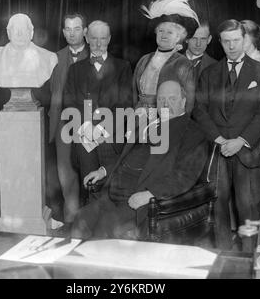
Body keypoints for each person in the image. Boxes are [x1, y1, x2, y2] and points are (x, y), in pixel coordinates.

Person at [71, 80, 209, 240]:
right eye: (161, 99)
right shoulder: (148, 124)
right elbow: (126, 155)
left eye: (172, 99)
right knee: (81, 219)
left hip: (140, 198)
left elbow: (184, 176)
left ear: (183, 102)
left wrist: (150, 194)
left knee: (105, 228)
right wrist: (103, 171)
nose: (165, 104)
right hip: (113, 191)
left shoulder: (193, 133)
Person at [192, 19, 260, 250]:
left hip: (247, 151)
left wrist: (240, 141)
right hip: (217, 150)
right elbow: (199, 109)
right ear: (220, 42)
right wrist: (219, 139)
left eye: (236, 40)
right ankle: (222, 255)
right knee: (217, 206)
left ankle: (250, 257)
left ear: (244, 39)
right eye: (226, 42)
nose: (232, 46)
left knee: (248, 207)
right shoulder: (209, 73)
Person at [62, 20, 133, 208]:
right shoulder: (75, 69)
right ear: (86, 37)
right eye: (94, 38)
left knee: (113, 190)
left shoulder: (123, 66)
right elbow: (68, 102)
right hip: (85, 141)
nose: (99, 44)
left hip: (111, 140)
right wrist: (86, 128)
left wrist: (101, 128)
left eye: (103, 38)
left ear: (109, 39)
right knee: (90, 190)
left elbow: (125, 104)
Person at [48, 13, 89, 228]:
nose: (72, 33)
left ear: (85, 31)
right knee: (66, 176)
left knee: (91, 174)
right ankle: (71, 222)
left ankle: (92, 222)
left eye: (76, 28)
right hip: (63, 125)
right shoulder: (53, 58)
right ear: (63, 32)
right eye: (68, 29)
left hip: (90, 125)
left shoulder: (96, 54)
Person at [133, 0, 199, 114]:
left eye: (170, 32)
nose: (164, 35)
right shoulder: (144, 59)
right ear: (156, 32)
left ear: (178, 37)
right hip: (140, 117)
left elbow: (189, 101)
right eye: (161, 31)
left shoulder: (183, 63)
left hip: (168, 118)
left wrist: (180, 124)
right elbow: (133, 93)